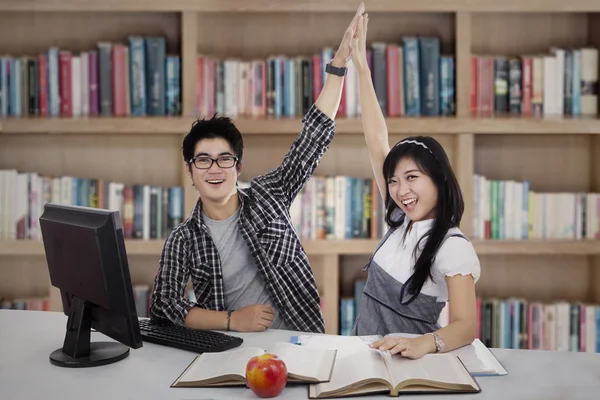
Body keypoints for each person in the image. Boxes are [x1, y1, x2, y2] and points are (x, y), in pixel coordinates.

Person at [150, 2, 366, 334]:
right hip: (230, 350)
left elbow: (313, 137)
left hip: (301, 342)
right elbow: (163, 306)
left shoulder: (268, 195)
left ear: (237, 167)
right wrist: (230, 320)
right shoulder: (184, 239)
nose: (215, 169)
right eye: (203, 160)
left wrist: (338, 65)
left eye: (225, 159)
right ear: (191, 171)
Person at [349, 12, 481, 359]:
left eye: (412, 178)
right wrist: (362, 69)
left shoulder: (451, 246)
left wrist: (423, 343)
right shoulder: (400, 220)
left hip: (408, 367)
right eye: (393, 181)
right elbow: (377, 140)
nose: (400, 190)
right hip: (366, 357)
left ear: (438, 179)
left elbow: (466, 326)